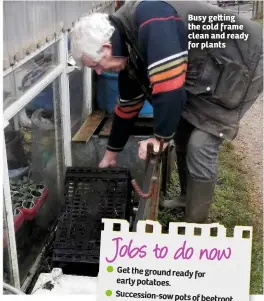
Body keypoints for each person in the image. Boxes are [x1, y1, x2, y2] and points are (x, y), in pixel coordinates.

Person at [71, 0, 263, 223]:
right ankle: (185, 197)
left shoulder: (152, 17)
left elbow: (169, 86)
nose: (99, 70)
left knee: (200, 144)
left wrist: (161, 138)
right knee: (182, 130)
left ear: (105, 48)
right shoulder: (127, 44)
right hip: (209, 69)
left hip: (241, 61)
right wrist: (110, 155)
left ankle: (195, 225)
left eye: (95, 64)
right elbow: (128, 106)